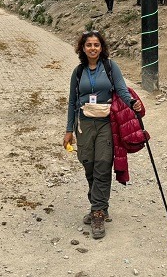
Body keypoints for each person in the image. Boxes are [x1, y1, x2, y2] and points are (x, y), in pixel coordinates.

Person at [63, 31, 142, 240]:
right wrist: (68, 130)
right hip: (85, 123)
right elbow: (72, 101)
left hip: (106, 122)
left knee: (103, 163)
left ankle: (98, 212)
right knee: (88, 162)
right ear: (82, 48)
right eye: (88, 45)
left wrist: (133, 103)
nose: (92, 48)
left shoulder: (110, 67)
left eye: (96, 45)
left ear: (102, 47)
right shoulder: (78, 72)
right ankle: (98, 203)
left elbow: (122, 90)